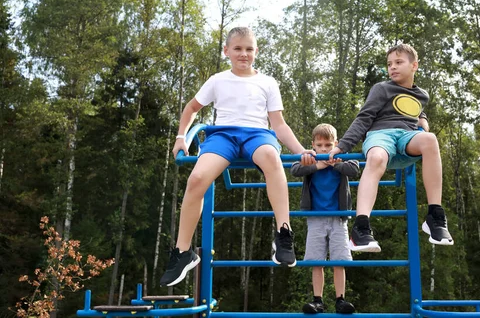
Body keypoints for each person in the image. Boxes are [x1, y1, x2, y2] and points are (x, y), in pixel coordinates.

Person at [160, 27, 316, 287]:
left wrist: (300, 151)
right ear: (227, 51)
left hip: (257, 135)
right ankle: (182, 252)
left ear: (256, 52)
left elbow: (278, 125)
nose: (244, 54)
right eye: (238, 49)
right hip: (223, 136)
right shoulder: (217, 80)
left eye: (249, 49)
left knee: (272, 159)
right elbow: (191, 108)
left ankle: (284, 233)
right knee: (197, 178)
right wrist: (180, 137)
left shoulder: (267, 82)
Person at [328, 44, 454, 253]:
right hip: (381, 135)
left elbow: (414, 110)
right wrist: (343, 145)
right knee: (376, 157)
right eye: (389, 64)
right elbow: (364, 117)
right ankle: (361, 228)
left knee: (430, 139)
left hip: (406, 138)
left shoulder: (422, 95)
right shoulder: (381, 88)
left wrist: (423, 119)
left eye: (398, 62)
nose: (392, 67)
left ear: (414, 66)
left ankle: (435, 216)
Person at [291, 124, 359, 314]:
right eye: (319, 145)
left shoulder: (341, 158)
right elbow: (295, 169)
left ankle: (340, 300)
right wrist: (317, 165)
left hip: (338, 218)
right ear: (312, 145)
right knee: (316, 261)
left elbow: (355, 168)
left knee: (339, 261)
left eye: (328, 145)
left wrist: (335, 163)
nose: (323, 149)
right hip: (315, 217)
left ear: (336, 144)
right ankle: (317, 300)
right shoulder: (310, 159)